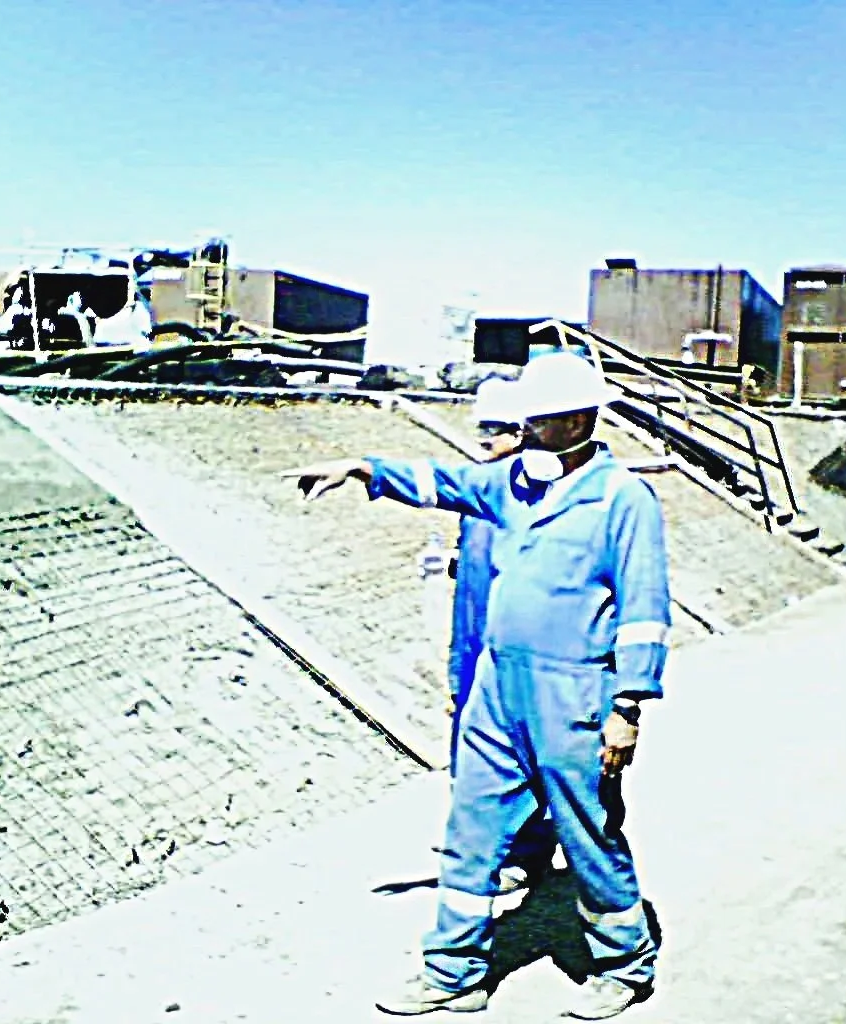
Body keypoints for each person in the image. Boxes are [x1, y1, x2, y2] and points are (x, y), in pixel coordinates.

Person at [282, 352, 671, 1020]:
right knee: (472, 827)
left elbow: (644, 611)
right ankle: (453, 972)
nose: (525, 434)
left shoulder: (623, 500)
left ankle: (623, 963)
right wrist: (364, 469)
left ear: (579, 420)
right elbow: (443, 482)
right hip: (498, 689)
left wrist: (628, 706)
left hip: (574, 693)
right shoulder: (512, 484)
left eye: (538, 422)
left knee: (588, 832)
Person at [448, 378, 556, 896]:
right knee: (473, 742)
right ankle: (486, 844)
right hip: (472, 636)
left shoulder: (541, 494)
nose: (484, 439)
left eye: (494, 429)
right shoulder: (479, 491)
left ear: (521, 433)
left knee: (522, 744)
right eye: (482, 428)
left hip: (520, 646)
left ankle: (526, 850)